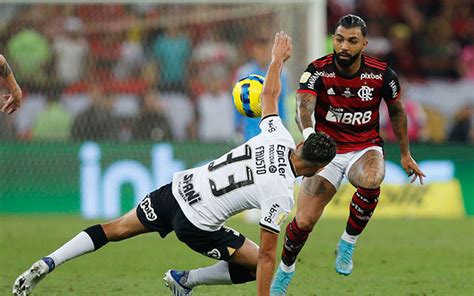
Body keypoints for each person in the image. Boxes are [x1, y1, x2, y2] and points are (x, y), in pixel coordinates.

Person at [12, 32, 337, 296]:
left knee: (113, 229)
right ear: (318, 168)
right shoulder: (282, 192)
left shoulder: (276, 135)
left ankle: (49, 261)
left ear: (299, 144)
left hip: (178, 189)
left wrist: (276, 59)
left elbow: (269, 95)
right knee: (257, 263)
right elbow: (267, 257)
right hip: (196, 224)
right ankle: (186, 280)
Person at [270, 15, 426, 296]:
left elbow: (397, 111)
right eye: (339, 39)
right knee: (303, 222)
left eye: (352, 41)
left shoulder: (381, 74)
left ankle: (347, 242)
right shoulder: (317, 70)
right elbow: (303, 107)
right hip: (326, 151)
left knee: (373, 177)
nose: (344, 46)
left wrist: (405, 154)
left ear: (364, 44)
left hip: (364, 148)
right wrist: (310, 138)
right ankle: (285, 270)